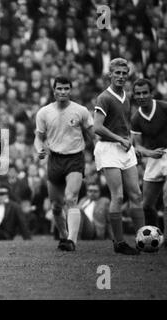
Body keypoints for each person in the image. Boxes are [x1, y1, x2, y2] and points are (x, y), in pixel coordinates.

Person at [34, 76, 94, 251]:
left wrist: (98, 154)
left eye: (66, 88)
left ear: (70, 90)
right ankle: (62, 235)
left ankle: (72, 240)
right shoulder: (44, 113)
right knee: (55, 206)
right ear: (54, 90)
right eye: (59, 88)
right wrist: (39, 149)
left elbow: (92, 135)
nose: (63, 92)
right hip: (55, 159)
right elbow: (38, 138)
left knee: (71, 198)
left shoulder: (81, 111)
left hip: (75, 158)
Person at [93, 58, 144, 255]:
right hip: (108, 149)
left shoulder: (126, 97)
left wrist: (128, 138)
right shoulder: (104, 98)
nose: (121, 76)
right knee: (118, 195)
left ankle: (142, 239)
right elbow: (97, 127)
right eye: (117, 73)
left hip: (125, 147)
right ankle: (119, 243)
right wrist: (119, 139)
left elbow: (125, 123)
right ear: (110, 74)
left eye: (124, 73)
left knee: (136, 195)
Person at [130, 78, 167, 242]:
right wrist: (150, 153)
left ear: (151, 93)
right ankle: (154, 238)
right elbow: (137, 146)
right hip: (154, 159)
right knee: (146, 205)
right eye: (138, 93)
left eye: (145, 92)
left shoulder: (164, 107)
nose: (141, 96)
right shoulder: (136, 118)